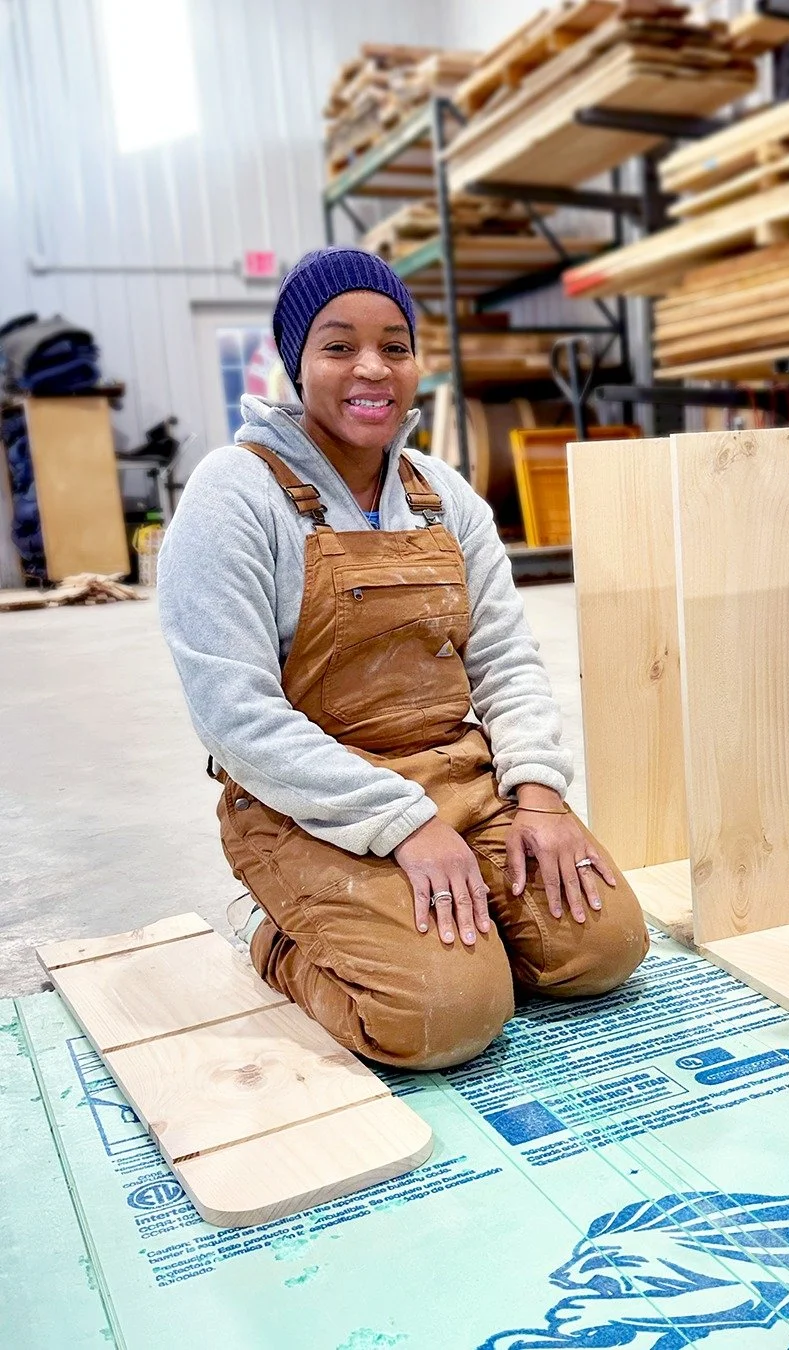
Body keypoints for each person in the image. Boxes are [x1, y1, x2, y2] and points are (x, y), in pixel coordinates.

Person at [158, 247, 649, 1071]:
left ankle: (453, 933)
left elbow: (506, 659)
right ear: (296, 362)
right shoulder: (233, 494)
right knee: (444, 1017)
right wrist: (402, 825)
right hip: (308, 807)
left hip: (458, 780)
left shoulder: (441, 493)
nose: (372, 370)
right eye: (339, 345)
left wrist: (538, 796)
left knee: (604, 946)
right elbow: (235, 716)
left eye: (396, 344)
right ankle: (279, 938)